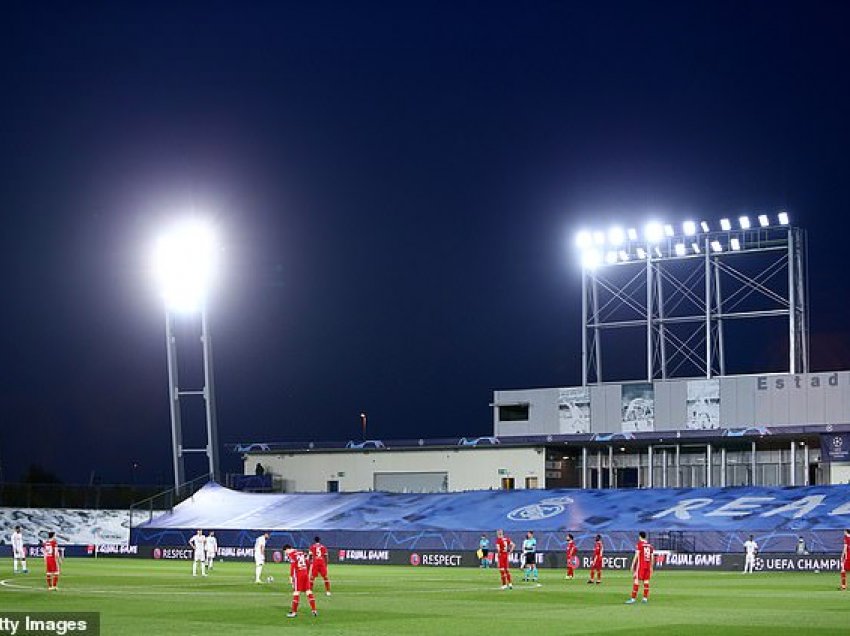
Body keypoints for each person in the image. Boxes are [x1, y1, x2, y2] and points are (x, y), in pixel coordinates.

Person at [284, 544, 317, 618]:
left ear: (287, 549)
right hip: (305, 572)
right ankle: (314, 610)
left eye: (285, 551)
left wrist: (291, 576)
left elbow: (292, 565)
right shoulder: (300, 552)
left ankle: (294, 612)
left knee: (296, 592)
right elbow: (308, 562)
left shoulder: (291, 554)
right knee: (308, 591)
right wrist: (307, 572)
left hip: (298, 574)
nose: (286, 553)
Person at [626, 531, 653, 604]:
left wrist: (632, 565)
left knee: (636, 581)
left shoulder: (640, 544)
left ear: (640, 536)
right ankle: (645, 598)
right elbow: (652, 557)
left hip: (641, 565)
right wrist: (651, 567)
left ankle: (633, 599)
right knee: (646, 582)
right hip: (647, 565)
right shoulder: (650, 545)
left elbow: (636, 555)